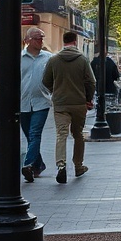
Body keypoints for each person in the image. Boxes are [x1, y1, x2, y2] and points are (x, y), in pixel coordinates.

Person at [42, 31, 96, 184]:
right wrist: (88, 98)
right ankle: (78, 165)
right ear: (75, 42)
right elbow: (91, 82)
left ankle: (61, 165)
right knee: (78, 134)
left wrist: (56, 91)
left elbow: (45, 81)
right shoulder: (83, 60)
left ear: (63, 42)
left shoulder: (53, 60)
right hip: (79, 103)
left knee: (61, 134)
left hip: (60, 104)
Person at [19, 27, 53, 182]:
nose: (40, 41)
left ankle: (28, 165)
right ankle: (39, 165)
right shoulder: (19, 58)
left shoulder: (48, 58)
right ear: (28, 40)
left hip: (42, 102)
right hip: (23, 103)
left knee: (35, 133)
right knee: (29, 136)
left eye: (41, 38)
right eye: (37, 38)